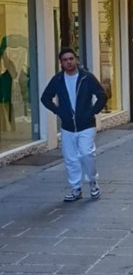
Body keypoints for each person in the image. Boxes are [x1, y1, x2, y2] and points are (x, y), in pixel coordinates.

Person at [40, 47, 107, 202]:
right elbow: (45, 98)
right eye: (65, 60)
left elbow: (102, 95)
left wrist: (92, 111)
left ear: (76, 59)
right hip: (67, 126)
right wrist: (59, 111)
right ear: (61, 63)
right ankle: (76, 188)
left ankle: (93, 182)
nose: (69, 62)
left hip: (86, 125)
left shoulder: (87, 78)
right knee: (70, 158)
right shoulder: (57, 80)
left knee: (86, 153)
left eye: (71, 59)